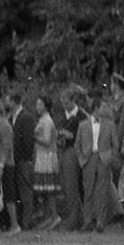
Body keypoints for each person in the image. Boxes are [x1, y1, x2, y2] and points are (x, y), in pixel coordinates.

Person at [75, 96, 121, 233]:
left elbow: (115, 144)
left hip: (103, 158)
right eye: (103, 107)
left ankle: (101, 221)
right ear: (96, 108)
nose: (105, 109)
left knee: (102, 190)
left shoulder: (110, 125)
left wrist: (110, 157)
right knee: (88, 190)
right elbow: (77, 144)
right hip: (88, 158)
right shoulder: (83, 125)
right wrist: (81, 158)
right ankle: (88, 220)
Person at [55, 87, 87, 230]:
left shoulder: (82, 116)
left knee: (72, 185)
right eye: (63, 103)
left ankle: (75, 219)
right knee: (65, 186)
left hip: (74, 152)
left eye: (67, 103)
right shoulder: (63, 116)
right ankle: (75, 217)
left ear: (74, 101)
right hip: (63, 151)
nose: (64, 106)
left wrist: (71, 136)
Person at [0, 98, 21, 235]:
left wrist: (1, 165)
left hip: (5, 165)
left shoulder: (5, 126)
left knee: (8, 195)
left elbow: (7, 147)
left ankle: (14, 225)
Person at [7, 92, 37, 229]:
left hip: (23, 159)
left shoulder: (25, 117)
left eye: (9, 101)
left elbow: (28, 140)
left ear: (14, 101)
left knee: (25, 190)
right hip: (15, 159)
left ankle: (27, 220)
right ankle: (21, 219)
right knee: (19, 190)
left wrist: (24, 157)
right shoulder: (12, 117)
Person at [32, 96, 61, 231]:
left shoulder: (48, 121)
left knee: (49, 189)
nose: (37, 107)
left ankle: (54, 216)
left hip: (47, 157)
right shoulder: (42, 120)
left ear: (45, 106)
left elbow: (48, 141)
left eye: (40, 104)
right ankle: (49, 216)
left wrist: (35, 137)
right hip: (41, 156)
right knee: (44, 189)